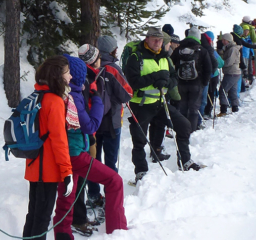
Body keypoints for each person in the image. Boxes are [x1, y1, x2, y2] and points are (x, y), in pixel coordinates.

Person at [54, 51, 128, 237]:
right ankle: (117, 230)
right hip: (75, 153)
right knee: (114, 181)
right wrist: (97, 99)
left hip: (68, 152)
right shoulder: (74, 96)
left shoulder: (65, 92)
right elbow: (89, 125)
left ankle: (64, 234)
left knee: (67, 198)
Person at [126, 27, 201, 183]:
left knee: (184, 125)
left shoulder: (165, 57)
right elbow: (132, 83)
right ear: (146, 39)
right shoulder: (136, 57)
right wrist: (155, 77)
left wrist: (166, 81)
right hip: (141, 105)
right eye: (154, 39)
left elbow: (174, 78)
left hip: (160, 103)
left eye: (160, 40)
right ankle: (141, 172)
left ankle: (185, 160)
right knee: (139, 140)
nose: (158, 43)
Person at [22, 56, 74, 239]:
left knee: (33, 216)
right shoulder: (54, 101)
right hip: (48, 170)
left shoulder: (37, 96)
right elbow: (59, 141)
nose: (70, 77)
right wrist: (67, 172)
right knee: (42, 218)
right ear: (57, 75)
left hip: (34, 165)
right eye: (67, 72)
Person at [83, 36, 132, 224]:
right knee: (110, 163)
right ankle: (111, 196)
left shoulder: (87, 67)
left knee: (93, 162)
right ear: (112, 50)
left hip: (91, 124)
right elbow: (127, 93)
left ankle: (94, 196)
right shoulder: (112, 68)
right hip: (111, 123)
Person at [171, 28, 213, 131]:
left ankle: (182, 130)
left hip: (181, 83)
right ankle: (191, 130)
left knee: (183, 108)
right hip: (196, 84)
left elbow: (171, 65)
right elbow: (209, 68)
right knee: (194, 109)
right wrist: (204, 82)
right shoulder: (202, 50)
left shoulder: (179, 49)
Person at [217, 33, 242, 115]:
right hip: (234, 73)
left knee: (223, 90)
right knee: (232, 91)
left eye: (225, 40)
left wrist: (220, 63)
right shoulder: (229, 48)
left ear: (229, 40)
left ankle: (223, 110)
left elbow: (229, 62)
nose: (223, 42)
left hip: (231, 72)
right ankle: (235, 108)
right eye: (222, 40)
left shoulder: (232, 49)